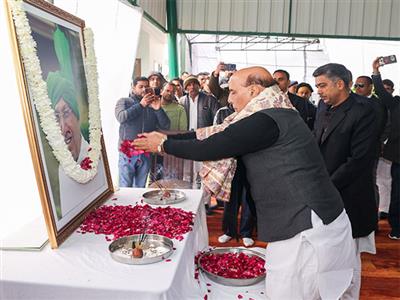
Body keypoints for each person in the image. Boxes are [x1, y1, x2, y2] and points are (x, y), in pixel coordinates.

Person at [134, 66, 357, 299]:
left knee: (289, 291)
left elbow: (215, 145)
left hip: (306, 224)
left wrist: (163, 145)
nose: (229, 99)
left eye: (232, 91)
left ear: (253, 91)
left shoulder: (267, 118)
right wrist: (165, 137)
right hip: (303, 218)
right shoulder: (272, 111)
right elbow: (213, 133)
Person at [313, 63, 379, 298]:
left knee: (348, 263)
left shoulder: (365, 110)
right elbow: (317, 144)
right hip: (324, 195)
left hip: (350, 197)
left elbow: (359, 159)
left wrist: (326, 186)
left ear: (339, 84)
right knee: (326, 257)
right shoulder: (323, 106)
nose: (318, 91)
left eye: (322, 85)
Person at [46, 71, 107, 219]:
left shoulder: (96, 157)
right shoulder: (62, 171)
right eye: (56, 118)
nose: (63, 127)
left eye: (66, 113)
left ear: (77, 116)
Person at [115, 76, 170, 188]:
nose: (144, 90)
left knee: (140, 187)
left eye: (146, 87)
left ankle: (136, 206)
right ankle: (124, 206)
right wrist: (141, 105)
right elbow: (121, 117)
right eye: (141, 87)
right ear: (133, 87)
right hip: (127, 152)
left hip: (145, 152)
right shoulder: (124, 101)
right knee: (125, 186)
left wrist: (158, 109)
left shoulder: (152, 104)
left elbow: (166, 125)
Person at [179, 75, 220, 214]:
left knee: (204, 173)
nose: (191, 87)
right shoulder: (182, 101)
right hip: (187, 141)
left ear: (198, 85)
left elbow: (217, 120)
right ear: (185, 88)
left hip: (205, 141)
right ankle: (190, 202)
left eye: (194, 84)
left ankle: (205, 203)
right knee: (188, 173)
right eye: (188, 85)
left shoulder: (209, 99)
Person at [372, 57, 400, 240]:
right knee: (397, 194)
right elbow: (381, 92)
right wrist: (375, 72)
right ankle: (397, 228)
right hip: (398, 158)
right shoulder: (396, 103)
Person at [160, 82, 188, 180]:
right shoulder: (152, 107)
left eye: (172, 92)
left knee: (173, 178)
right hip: (155, 148)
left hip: (172, 148)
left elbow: (183, 130)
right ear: (161, 91)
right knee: (154, 178)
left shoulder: (179, 109)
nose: (169, 93)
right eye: (167, 90)